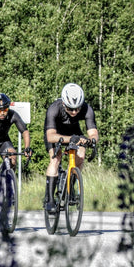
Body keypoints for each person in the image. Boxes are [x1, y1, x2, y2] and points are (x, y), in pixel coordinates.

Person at [43, 83, 99, 214]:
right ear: (63, 103)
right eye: (70, 109)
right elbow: (50, 136)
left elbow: (93, 132)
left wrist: (92, 141)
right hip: (55, 133)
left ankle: (70, 187)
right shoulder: (54, 109)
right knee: (55, 159)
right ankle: (50, 200)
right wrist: (70, 139)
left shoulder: (87, 109)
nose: (74, 112)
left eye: (77, 109)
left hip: (74, 131)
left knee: (81, 155)